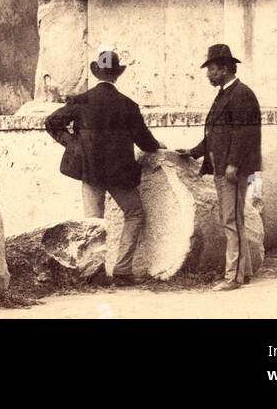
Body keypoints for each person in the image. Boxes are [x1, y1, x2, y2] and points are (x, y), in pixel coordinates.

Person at [44, 49, 162, 285]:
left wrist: (73, 145)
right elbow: (146, 143)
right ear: (117, 75)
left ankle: (93, 275)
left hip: (90, 170)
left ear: (97, 72)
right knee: (135, 214)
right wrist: (159, 145)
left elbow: (51, 122)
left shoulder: (81, 100)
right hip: (119, 173)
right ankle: (122, 270)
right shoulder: (128, 105)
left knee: (93, 222)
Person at [177, 42, 263, 291]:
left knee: (231, 220)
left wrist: (234, 164)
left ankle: (233, 277)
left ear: (225, 69)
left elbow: (244, 135)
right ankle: (242, 272)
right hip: (222, 167)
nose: (208, 75)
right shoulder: (227, 93)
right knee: (234, 219)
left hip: (230, 169)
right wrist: (193, 152)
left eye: (212, 69)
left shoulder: (241, 95)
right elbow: (215, 134)